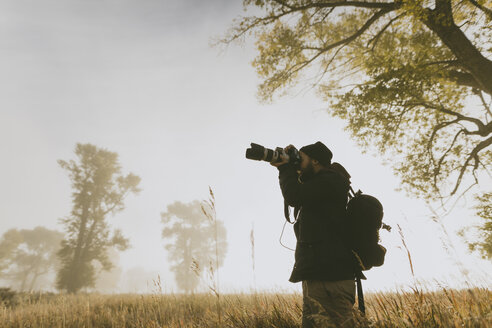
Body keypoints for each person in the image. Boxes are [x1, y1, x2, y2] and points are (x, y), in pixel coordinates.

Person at [271, 141, 355, 328]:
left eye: (301, 159)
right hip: (319, 275)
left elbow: (294, 196)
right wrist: (291, 166)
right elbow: (300, 193)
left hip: (330, 277)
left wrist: (285, 170)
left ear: (315, 161)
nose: (298, 163)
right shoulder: (322, 183)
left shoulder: (329, 181)